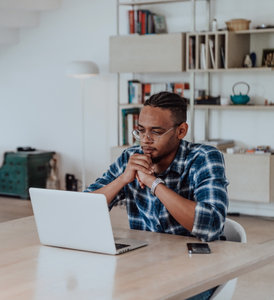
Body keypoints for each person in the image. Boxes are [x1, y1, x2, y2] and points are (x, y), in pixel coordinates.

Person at [86, 91, 229, 299]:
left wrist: (154, 183)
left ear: (181, 131)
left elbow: (211, 226)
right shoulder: (130, 157)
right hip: (145, 266)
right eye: (141, 131)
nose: (145, 140)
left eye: (156, 132)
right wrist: (123, 179)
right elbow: (84, 208)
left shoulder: (205, 157)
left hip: (196, 271)